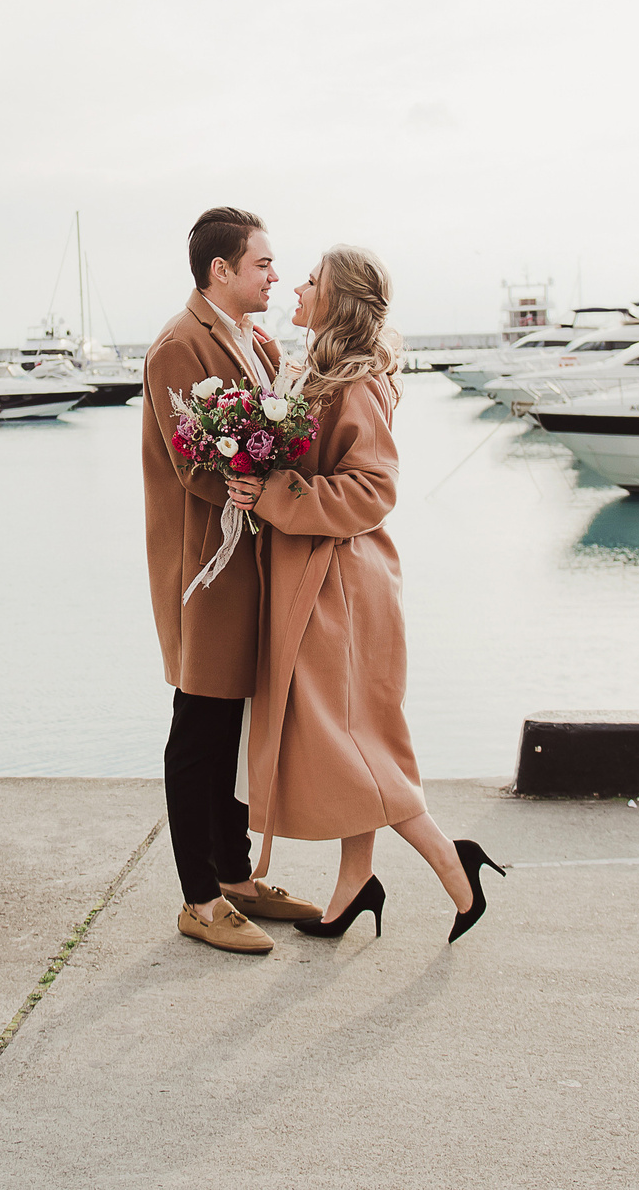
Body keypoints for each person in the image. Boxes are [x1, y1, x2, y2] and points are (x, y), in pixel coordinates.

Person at [229, 244, 505, 943]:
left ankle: (454, 866)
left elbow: (373, 489)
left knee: (355, 743)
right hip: (320, 578)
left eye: (312, 279)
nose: (296, 284)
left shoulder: (355, 383)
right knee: (354, 739)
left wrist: (275, 494)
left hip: (341, 588)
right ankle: (354, 885)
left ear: (337, 298)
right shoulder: (321, 369)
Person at [141, 206, 324, 955]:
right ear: (222, 270)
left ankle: (235, 875)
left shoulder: (259, 340)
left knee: (231, 729)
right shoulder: (176, 347)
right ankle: (199, 898)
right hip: (205, 572)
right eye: (263, 264)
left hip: (251, 563)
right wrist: (258, 487)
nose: (275, 275)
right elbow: (195, 463)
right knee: (199, 731)